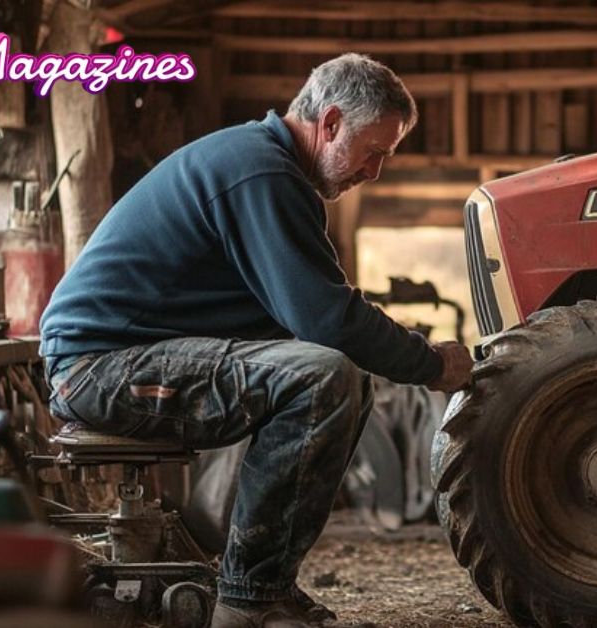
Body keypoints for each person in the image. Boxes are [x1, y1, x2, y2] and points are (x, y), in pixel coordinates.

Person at [39, 53, 474, 627]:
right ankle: (249, 599)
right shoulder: (262, 172)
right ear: (332, 123)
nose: (373, 172)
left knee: (346, 377)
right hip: (99, 366)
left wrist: (404, 352)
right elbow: (328, 319)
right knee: (324, 375)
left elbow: (317, 311)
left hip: (123, 357)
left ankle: (264, 583)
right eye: (375, 153)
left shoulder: (268, 168)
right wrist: (430, 363)